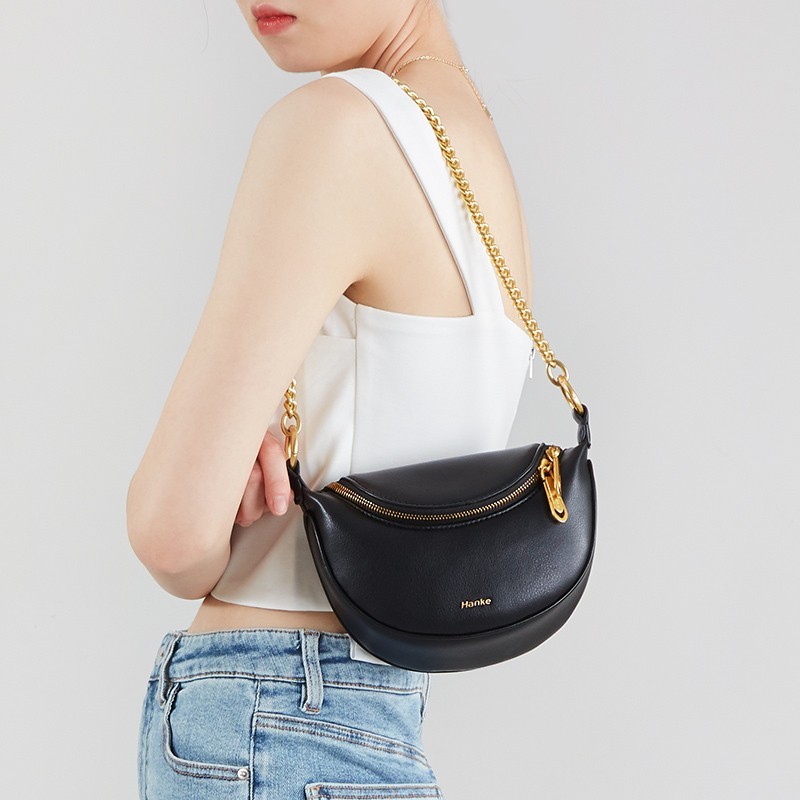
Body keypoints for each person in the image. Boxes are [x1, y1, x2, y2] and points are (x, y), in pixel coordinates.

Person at [128, 1, 535, 797]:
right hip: (376, 712)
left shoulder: (336, 127)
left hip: (272, 715)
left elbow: (170, 539)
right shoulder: (473, 150)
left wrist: (225, 492)